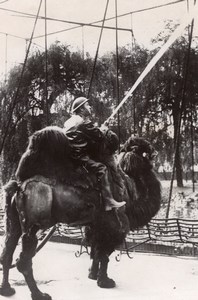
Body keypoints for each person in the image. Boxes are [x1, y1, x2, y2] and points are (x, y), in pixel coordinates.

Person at [63, 96, 125, 211]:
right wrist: (105, 128)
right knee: (102, 169)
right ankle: (108, 201)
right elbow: (100, 136)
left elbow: (87, 134)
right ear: (81, 109)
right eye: (87, 105)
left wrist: (100, 128)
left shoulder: (68, 121)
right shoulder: (83, 121)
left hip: (70, 158)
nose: (90, 107)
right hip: (81, 158)